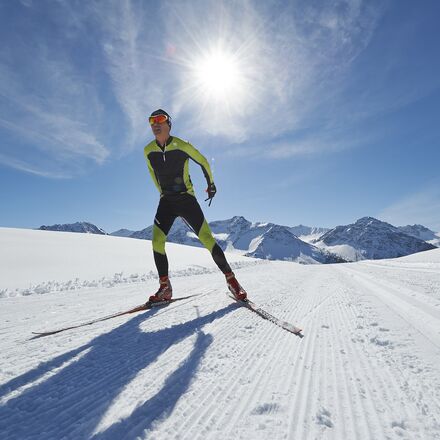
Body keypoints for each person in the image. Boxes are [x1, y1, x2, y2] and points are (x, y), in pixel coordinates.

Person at [144, 109, 247, 303]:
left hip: (186, 199)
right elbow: (152, 174)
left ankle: (232, 280)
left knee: (207, 239)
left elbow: (203, 161)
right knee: (157, 241)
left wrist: (211, 184)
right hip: (166, 200)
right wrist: (162, 193)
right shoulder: (148, 150)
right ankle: (165, 288)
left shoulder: (181, 145)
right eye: (151, 121)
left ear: (169, 124)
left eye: (160, 119)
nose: (155, 124)